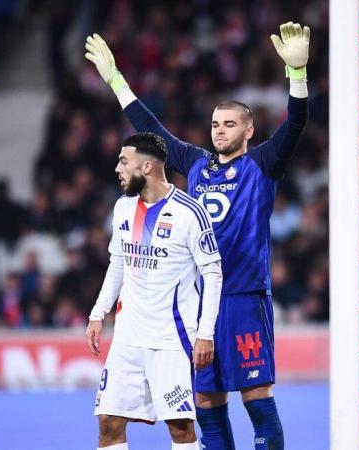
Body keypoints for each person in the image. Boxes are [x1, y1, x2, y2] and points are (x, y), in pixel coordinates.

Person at [85, 21, 311, 449]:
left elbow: (296, 123)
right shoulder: (197, 164)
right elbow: (153, 132)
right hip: (198, 306)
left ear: (248, 131)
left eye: (229, 124)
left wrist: (297, 77)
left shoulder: (263, 164)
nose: (219, 130)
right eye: (214, 123)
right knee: (206, 400)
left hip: (244, 297)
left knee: (257, 396)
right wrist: (116, 80)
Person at [85, 132, 223, 450]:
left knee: (179, 427)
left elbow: (213, 274)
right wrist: (97, 313)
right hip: (128, 336)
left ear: (147, 166)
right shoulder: (122, 208)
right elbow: (117, 264)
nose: (117, 168)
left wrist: (206, 334)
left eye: (124, 161)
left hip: (171, 339)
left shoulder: (190, 213)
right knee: (108, 422)